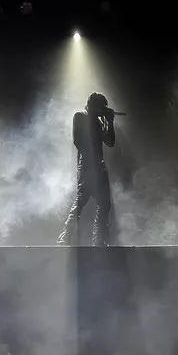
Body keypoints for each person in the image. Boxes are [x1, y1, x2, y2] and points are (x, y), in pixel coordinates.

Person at [57, 92, 116, 246]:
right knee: (81, 201)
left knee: (104, 204)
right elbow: (78, 141)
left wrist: (109, 121)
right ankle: (65, 237)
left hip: (99, 166)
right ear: (92, 104)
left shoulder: (99, 121)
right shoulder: (80, 116)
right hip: (87, 166)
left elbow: (110, 142)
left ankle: (99, 240)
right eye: (101, 106)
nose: (102, 109)